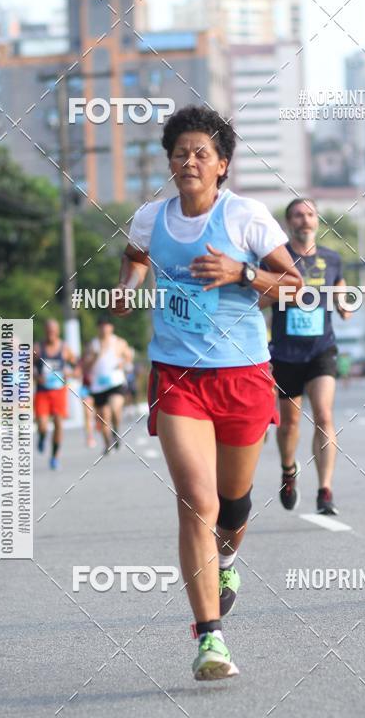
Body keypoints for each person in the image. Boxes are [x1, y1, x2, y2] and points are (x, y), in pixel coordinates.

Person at [113, 105, 302, 680]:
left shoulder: (246, 218)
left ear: (222, 165)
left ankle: (226, 559)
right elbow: (135, 259)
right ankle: (210, 639)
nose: (189, 161)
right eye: (180, 153)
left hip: (243, 374)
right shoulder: (151, 218)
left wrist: (242, 274)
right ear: (169, 163)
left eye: (202, 153)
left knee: (234, 504)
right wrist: (127, 289)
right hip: (177, 376)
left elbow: (293, 287)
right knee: (198, 502)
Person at [262, 198, 351, 515]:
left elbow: (340, 290)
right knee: (289, 424)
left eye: (310, 214)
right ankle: (289, 471)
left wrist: (344, 303)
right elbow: (258, 301)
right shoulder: (275, 258)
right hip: (286, 355)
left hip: (321, 350)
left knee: (324, 416)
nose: (305, 220)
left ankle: (325, 491)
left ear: (317, 221)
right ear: (289, 223)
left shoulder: (332, 258)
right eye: (298, 215)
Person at [83, 315, 132, 453]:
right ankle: (108, 443)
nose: (104, 329)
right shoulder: (93, 345)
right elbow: (85, 367)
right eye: (101, 326)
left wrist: (124, 363)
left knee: (115, 407)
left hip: (115, 383)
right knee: (104, 419)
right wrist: (95, 357)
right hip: (98, 387)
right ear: (98, 328)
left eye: (107, 326)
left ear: (111, 327)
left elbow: (128, 357)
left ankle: (116, 430)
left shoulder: (119, 342)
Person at [34, 319, 76, 470]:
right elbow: (26, 367)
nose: (51, 334)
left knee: (58, 423)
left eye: (53, 331)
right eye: (48, 331)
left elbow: (76, 367)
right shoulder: (38, 348)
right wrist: (36, 376)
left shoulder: (65, 349)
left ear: (57, 332)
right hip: (42, 392)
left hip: (59, 391)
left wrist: (69, 372)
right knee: (43, 425)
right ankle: (42, 436)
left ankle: (54, 457)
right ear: (45, 331)